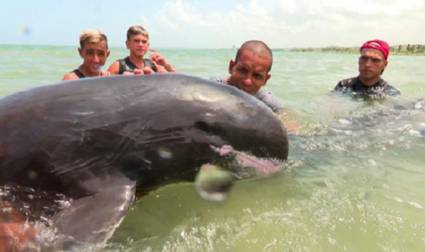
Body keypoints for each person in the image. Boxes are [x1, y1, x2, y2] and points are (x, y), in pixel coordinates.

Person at [214, 40, 299, 133]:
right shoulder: (212, 89)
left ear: (265, 80)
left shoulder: (267, 103)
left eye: (257, 76)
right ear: (231, 67)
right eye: (242, 70)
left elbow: (290, 125)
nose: (247, 81)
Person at [334, 39, 400, 99]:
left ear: (385, 65)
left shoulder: (391, 93)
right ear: (359, 60)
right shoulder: (343, 86)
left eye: (375, 60)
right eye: (364, 58)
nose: (367, 64)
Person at [107, 25, 175, 75]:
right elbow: (103, 86)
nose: (140, 45)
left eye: (144, 42)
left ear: (148, 46)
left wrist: (165, 64)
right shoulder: (118, 66)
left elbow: (177, 81)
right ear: (127, 44)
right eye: (136, 41)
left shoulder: (152, 65)